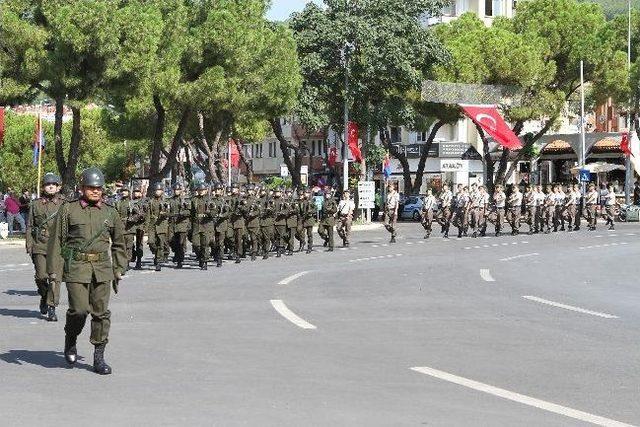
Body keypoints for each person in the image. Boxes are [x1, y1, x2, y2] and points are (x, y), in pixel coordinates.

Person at [47, 167, 127, 375]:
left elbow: (119, 243)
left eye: (98, 188)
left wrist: (119, 267)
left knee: (101, 313)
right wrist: (54, 271)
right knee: (79, 310)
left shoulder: (110, 212)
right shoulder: (68, 210)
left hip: (102, 268)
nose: (95, 191)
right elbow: (57, 241)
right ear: (82, 188)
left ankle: (98, 356)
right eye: (91, 188)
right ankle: (71, 337)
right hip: (77, 268)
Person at [26, 173, 65, 321]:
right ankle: (44, 295)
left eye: (53, 184)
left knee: (54, 278)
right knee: (41, 276)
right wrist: (29, 244)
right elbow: (30, 225)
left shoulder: (64, 203)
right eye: (48, 184)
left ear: (58, 187)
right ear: (43, 187)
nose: (50, 186)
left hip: (58, 245)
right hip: (40, 244)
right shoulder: (35, 204)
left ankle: (51, 307)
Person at [147, 182, 169, 271]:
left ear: (162, 191)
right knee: (151, 242)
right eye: (156, 190)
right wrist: (146, 226)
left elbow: (169, 213)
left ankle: (158, 262)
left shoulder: (165, 202)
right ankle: (156, 253)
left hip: (162, 224)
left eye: (159, 190)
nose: (157, 191)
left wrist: (164, 213)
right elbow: (148, 215)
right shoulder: (151, 202)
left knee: (160, 243)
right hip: (152, 224)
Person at [168, 182, 191, 268]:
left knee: (180, 243)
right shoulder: (170, 200)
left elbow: (189, 211)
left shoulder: (185, 200)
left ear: (181, 190)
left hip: (182, 223)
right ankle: (177, 254)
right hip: (172, 223)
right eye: (175, 190)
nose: (176, 191)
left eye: (178, 189)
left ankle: (180, 261)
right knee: (171, 240)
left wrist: (182, 213)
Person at [298, 188, 316, 253]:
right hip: (303, 219)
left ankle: (310, 247)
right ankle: (302, 243)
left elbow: (315, 209)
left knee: (309, 234)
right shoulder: (302, 200)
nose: (306, 194)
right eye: (305, 193)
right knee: (299, 231)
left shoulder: (311, 200)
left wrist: (310, 212)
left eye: (308, 193)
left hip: (309, 219)